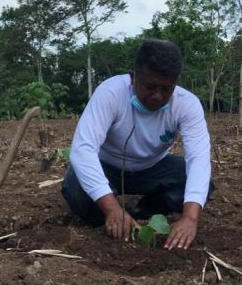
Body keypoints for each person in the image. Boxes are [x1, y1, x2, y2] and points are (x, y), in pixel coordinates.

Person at [61, 39, 213, 250]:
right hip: (108, 167)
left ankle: (143, 213)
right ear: (133, 76)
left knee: (198, 184)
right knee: (75, 188)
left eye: (166, 89)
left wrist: (190, 218)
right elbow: (82, 150)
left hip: (153, 168)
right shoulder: (111, 93)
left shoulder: (187, 104)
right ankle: (112, 212)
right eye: (150, 86)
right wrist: (112, 208)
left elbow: (198, 158)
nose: (157, 96)